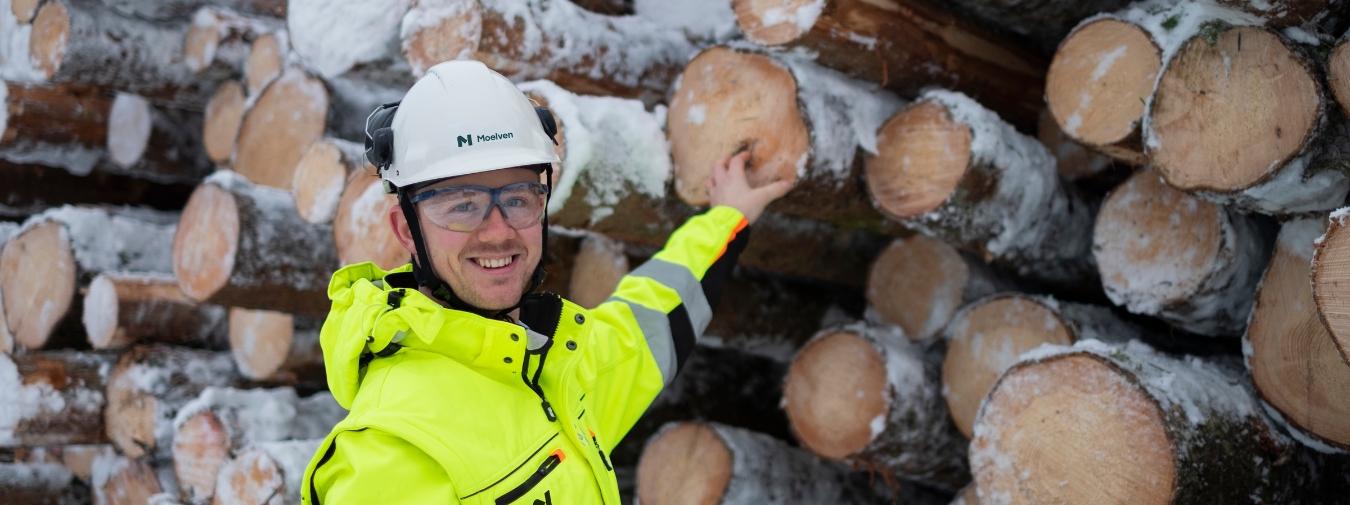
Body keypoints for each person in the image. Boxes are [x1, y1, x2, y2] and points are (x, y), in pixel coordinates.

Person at [300, 59, 791, 504]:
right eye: (462, 205)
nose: (497, 232)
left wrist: (726, 217)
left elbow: (648, 321)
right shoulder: (388, 453)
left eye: (517, 198)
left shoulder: (556, 369)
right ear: (406, 229)